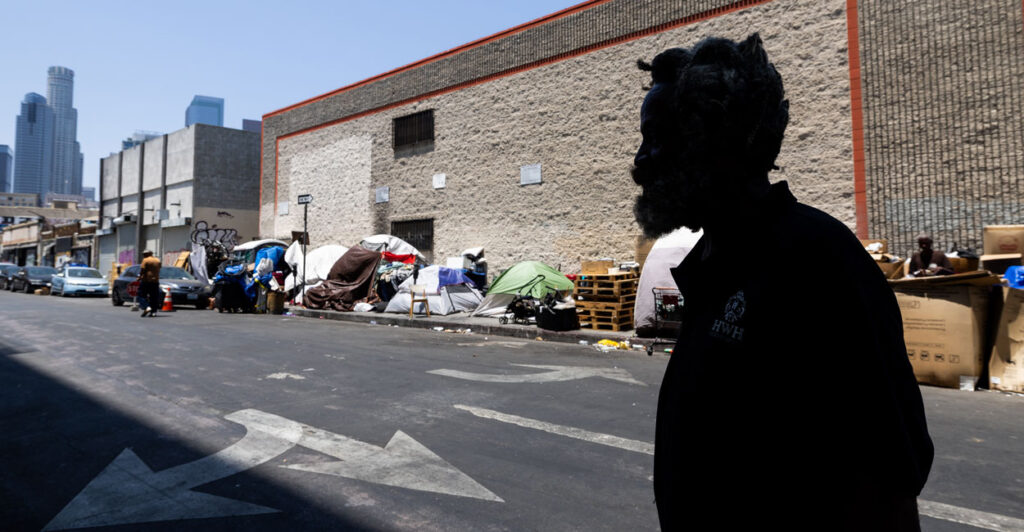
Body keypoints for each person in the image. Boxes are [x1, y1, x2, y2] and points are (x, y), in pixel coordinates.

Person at [632, 34, 933, 531]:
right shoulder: (713, 260)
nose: (642, 160)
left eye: (658, 137)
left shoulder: (815, 258)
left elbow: (887, 484)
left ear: (715, 139)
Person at [138, 250, 163, 317]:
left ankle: (147, 307)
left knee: (141, 295)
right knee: (154, 297)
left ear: (147, 254)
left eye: (144, 254)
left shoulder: (145, 260)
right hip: (155, 281)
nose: (143, 255)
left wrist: (139, 277)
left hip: (146, 281)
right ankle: (153, 312)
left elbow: (142, 270)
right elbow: (159, 268)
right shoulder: (157, 260)